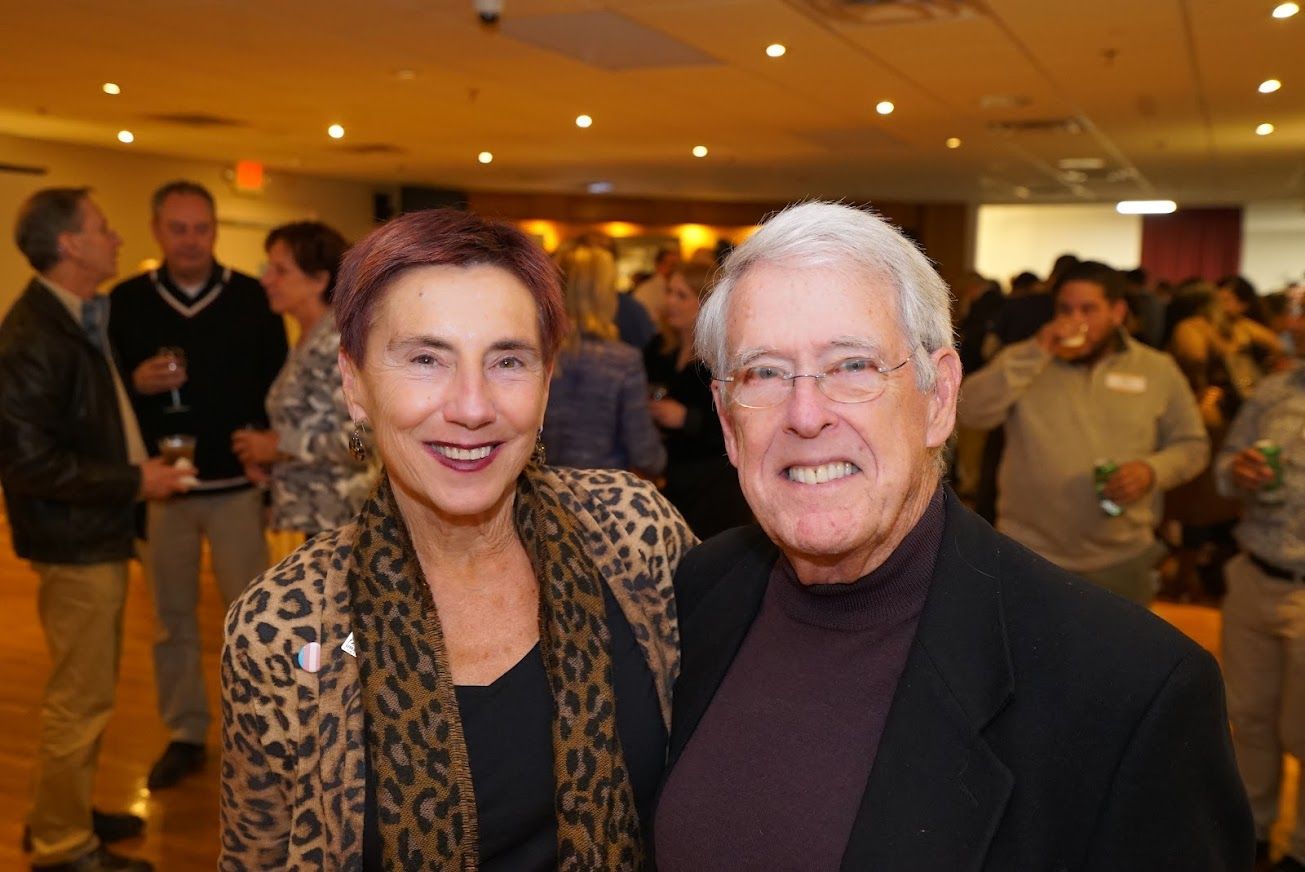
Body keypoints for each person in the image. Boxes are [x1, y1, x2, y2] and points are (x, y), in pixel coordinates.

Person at [655, 202, 1252, 870]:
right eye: (763, 372)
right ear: (728, 423)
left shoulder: (1127, 691)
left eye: (851, 365)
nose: (804, 414)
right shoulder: (697, 594)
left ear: (937, 396)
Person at [219, 208, 696, 869]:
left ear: (546, 378)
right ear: (354, 384)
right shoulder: (286, 628)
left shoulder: (632, 533)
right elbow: (257, 856)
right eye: (424, 359)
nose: (472, 406)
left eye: (507, 360)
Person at [1, 188, 191, 872]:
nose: (115, 239)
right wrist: (137, 481)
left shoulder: (72, 320)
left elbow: (75, 421)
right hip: (75, 541)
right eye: (102, 228)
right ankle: (60, 847)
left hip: (92, 533)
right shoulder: (34, 336)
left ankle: (64, 813)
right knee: (78, 700)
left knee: (87, 692)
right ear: (71, 247)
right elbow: (28, 462)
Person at [108, 180, 287, 790]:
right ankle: (185, 732)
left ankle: (261, 732)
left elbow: (276, 389)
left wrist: (270, 463)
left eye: (201, 228)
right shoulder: (126, 301)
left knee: (256, 621)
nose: (190, 240)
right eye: (178, 228)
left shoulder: (250, 299)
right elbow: (108, 397)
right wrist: (135, 382)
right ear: (157, 230)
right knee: (171, 620)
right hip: (166, 490)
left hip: (237, 487)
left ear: (215, 230)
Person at [957, 261, 1209, 605]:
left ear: (1117, 312)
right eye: (1065, 309)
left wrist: (1152, 472)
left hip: (1121, 557)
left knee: (1119, 657)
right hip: (1028, 553)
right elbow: (970, 411)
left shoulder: (1156, 369)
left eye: (1088, 309)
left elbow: (1193, 445)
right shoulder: (1025, 358)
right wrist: (1036, 353)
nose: (1074, 321)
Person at [1215, 284, 1305, 872]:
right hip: (1253, 578)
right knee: (1246, 719)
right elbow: (1225, 471)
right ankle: (1249, 838)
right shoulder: (1274, 392)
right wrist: (1238, 472)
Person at [230, 221, 377, 538]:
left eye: (280, 271)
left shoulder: (339, 344)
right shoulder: (306, 339)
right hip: (313, 519)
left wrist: (279, 446)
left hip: (339, 522)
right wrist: (272, 459)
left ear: (319, 280)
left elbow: (364, 440)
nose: (266, 280)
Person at [645, 262, 752, 538]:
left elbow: (743, 421)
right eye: (669, 292)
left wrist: (686, 418)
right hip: (669, 476)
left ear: (705, 302)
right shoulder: (657, 348)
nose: (670, 302)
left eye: (681, 295)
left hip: (712, 482)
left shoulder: (722, 356)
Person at [541, 241, 666, 476]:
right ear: (603, 295)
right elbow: (645, 454)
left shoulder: (535, 355)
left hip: (541, 493)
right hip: (601, 499)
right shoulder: (623, 360)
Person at [631, 247, 681, 331]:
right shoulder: (645, 290)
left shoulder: (679, 288)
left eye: (676, 265)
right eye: (670, 265)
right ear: (658, 265)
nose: (673, 269)